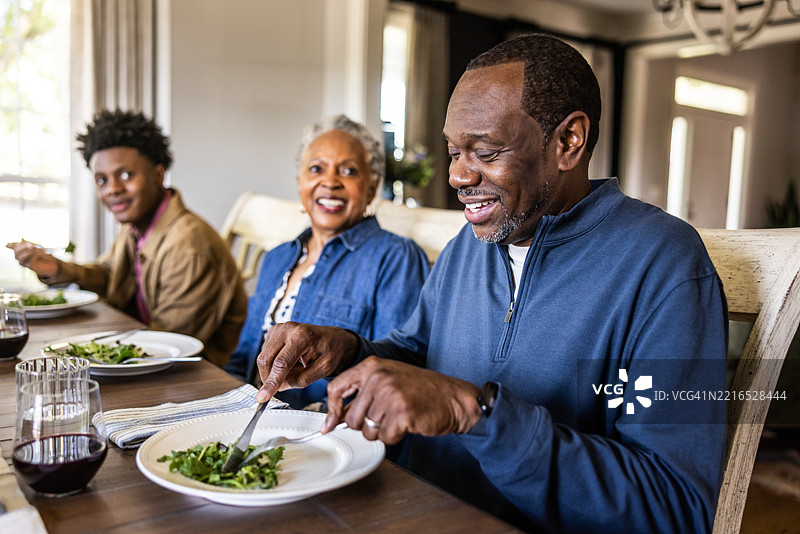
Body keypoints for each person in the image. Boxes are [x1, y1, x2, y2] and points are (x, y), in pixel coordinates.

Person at [252, 35, 729, 533]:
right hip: (407, 509)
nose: (458, 175)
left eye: (484, 151)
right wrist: (348, 351)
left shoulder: (664, 265)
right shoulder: (470, 244)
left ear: (568, 142)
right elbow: (417, 354)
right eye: (454, 151)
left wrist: (474, 411)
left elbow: (676, 508)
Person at [6, 109, 247, 368]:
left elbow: (169, 344)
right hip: (150, 357)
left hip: (198, 377)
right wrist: (57, 268)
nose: (113, 189)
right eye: (102, 179)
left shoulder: (188, 247)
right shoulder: (137, 225)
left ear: (158, 174)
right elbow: (110, 274)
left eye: (125, 175)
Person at [224, 114, 430, 408]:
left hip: (326, 429)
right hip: (248, 419)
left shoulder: (396, 257)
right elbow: (242, 359)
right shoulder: (276, 258)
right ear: (300, 183)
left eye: (348, 171)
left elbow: (398, 369)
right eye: (317, 169)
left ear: (371, 188)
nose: (330, 182)